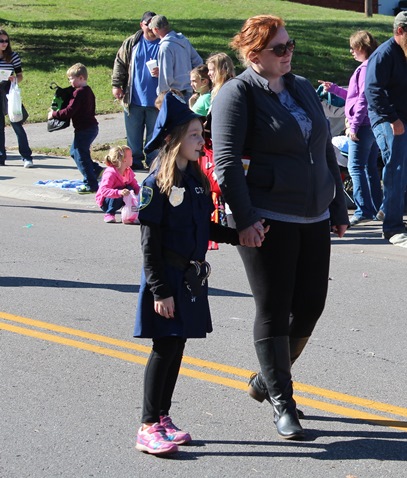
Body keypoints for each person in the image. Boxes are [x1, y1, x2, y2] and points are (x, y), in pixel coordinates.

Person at [211, 15, 349, 440]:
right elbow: (227, 162)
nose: (289, 54)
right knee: (273, 309)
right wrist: (247, 218)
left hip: (314, 213)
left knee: (311, 304)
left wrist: (338, 204)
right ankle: (282, 402)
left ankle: (266, 378)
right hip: (267, 215)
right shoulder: (236, 95)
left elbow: (324, 145)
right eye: (280, 49)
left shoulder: (301, 86)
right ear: (254, 56)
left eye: (290, 46)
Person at [134, 91, 238, 455]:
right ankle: (147, 425)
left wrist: (241, 235)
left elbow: (204, 227)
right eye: (194, 134)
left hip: (190, 279)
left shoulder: (194, 182)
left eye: (201, 133)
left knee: (177, 346)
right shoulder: (155, 186)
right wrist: (160, 290)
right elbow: (149, 244)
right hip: (167, 278)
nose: (201, 140)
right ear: (175, 139)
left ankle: (163, 416)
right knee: (164, 347)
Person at [319, 30, 382, 227]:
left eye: (353, 48)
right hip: (371, 125)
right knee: (371, 168)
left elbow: (363, 100)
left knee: (355, 167)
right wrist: (335, 89)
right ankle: (377, 207)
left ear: (362, 48)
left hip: (362, 125)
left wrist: (353, 126)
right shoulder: (373, 67)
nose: (351, 52)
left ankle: (364, 209)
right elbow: (354, 97)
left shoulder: (364, 69)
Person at [365, 11, 407, 240]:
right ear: (400, 31)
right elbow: (373, 91)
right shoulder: (384, 54)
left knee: (402, 170)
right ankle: (392, 226)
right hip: (387, 119)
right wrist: (393, 119)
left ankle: (386, 209)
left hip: (401, 117)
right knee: (396, 168)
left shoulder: (404, 53)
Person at [112, 11, 160, 171]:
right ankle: (134, 162)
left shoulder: (164, 43)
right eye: (148, 24)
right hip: (133, 99)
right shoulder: (132, 43)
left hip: (156, 101)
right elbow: (120, 63)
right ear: (142, 25)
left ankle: (153, 162)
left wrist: (163, 71)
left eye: (154, 25)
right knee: (133, 136)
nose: (151, 28)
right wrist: (117, 85)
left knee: (154, 136)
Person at [47, 63, 102, 194]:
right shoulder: (88, 91)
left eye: (71, 78)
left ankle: (91, 184)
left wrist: (53, 114)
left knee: (80, 155)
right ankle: (96, 170)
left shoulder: (79, 93)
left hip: (85, 129)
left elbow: (70, 111)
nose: (70, 81)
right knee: (74, 152)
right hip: (90, 127)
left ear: (81, 78)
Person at [148, 15, 203, 102]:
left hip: (175, 95)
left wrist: (161, 95)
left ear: (155, 29)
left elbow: (166, 77)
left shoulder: (165, 47)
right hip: (189, 92)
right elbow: (198, 62)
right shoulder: (184, 40)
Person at [0, 28, 33, 168]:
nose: (4, 43)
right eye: (1, 41)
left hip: (9, 91)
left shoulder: (13, 56)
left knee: (16, 124)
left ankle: (26, 156)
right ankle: (1, 156)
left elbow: (20, 75)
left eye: (6, 41)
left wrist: (14, 79)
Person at [95, 145, 140, 223]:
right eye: (130, 156)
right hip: (106, 201)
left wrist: (140, 192)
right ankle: (109, 213)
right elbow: (103, 190)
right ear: (124, 160)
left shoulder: (128, 171)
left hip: (120, 197)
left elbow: (133, 183)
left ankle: (131, 214)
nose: (132, 158)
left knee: (130, 189)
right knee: (121, 189)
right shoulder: (110, 173)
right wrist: (119, 192)